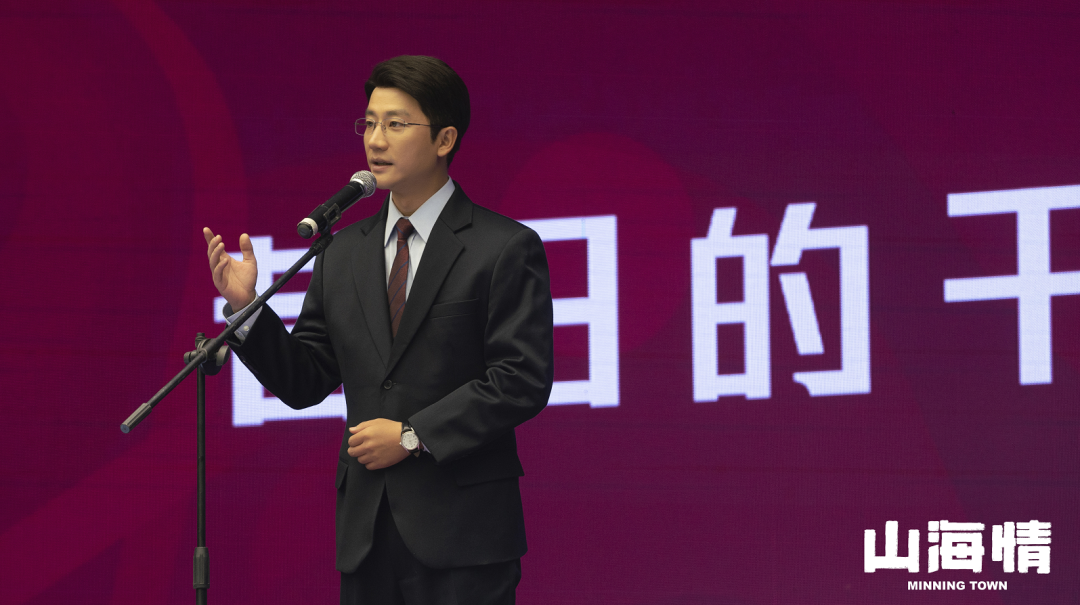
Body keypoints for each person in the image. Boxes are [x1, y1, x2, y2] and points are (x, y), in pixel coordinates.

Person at [203, 55, 554, 604]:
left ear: (444, 139)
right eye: (368, 123)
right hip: (367, 535)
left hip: (465, 536)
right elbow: (305, 381)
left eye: (395, 124)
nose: (375, 140)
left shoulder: (502, 247)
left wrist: (413, 435)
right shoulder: (342, 252)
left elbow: (520, 378)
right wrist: (247, 308)